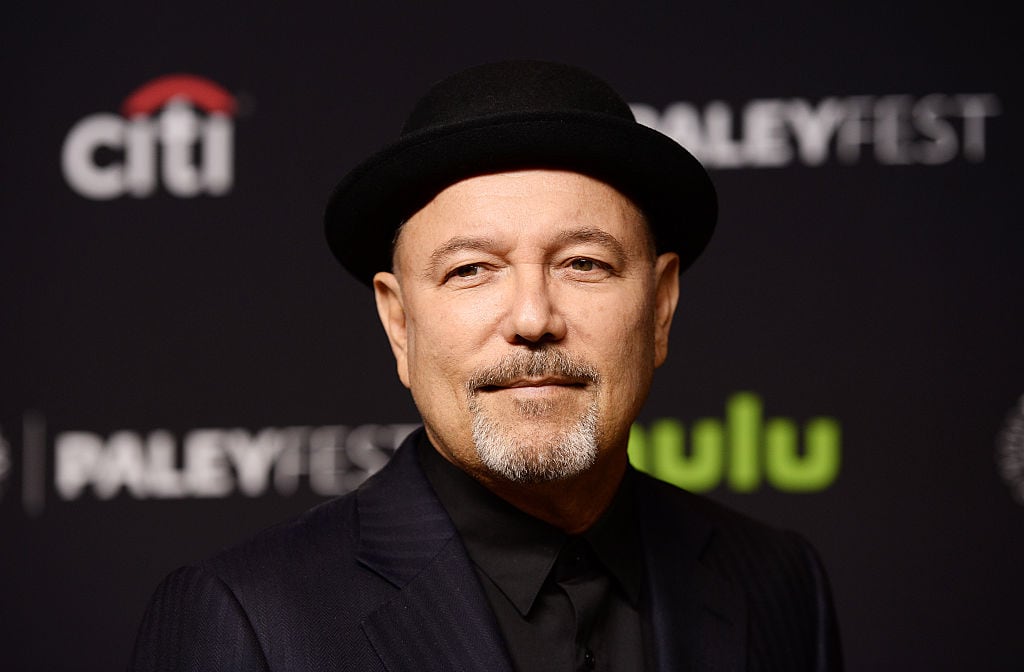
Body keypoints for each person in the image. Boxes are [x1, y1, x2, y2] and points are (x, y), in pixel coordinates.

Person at [130, 59, 842, 671]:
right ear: (399, 322)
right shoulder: (248, 619)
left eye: (583, 263)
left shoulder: (780, 585)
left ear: (659, 308)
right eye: (472, 270)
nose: (533, 318)